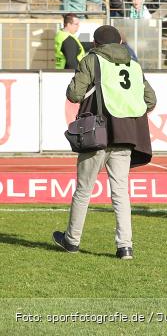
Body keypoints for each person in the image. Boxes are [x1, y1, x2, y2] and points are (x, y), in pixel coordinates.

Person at [53, 25, 156, 261]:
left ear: (97, 44)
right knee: (121, 192)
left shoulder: (92, 60)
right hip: (126, 134)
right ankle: (125, 247)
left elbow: (74, 94)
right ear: (120, 42)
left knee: (84, 190)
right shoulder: (134, 64)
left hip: (97, 134)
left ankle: (71, 240)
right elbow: (150, 100)